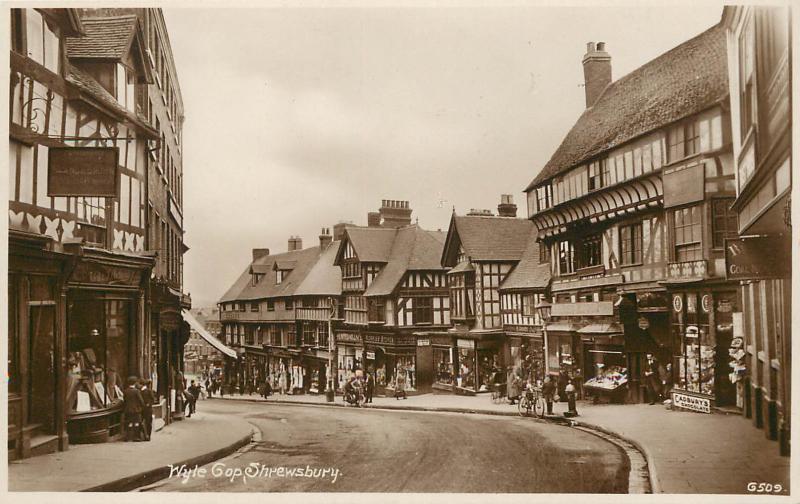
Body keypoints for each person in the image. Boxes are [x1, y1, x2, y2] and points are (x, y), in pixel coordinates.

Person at [123, 376, 145, 441]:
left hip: (128, 410)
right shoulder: (137, 391)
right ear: (135, 383)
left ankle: (128, 437)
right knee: (136, 423)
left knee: (129, 423)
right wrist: (142, 407)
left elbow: (125, 400)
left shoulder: (125, 391)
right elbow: (141, 401)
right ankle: (136, 437)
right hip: (136, 410)